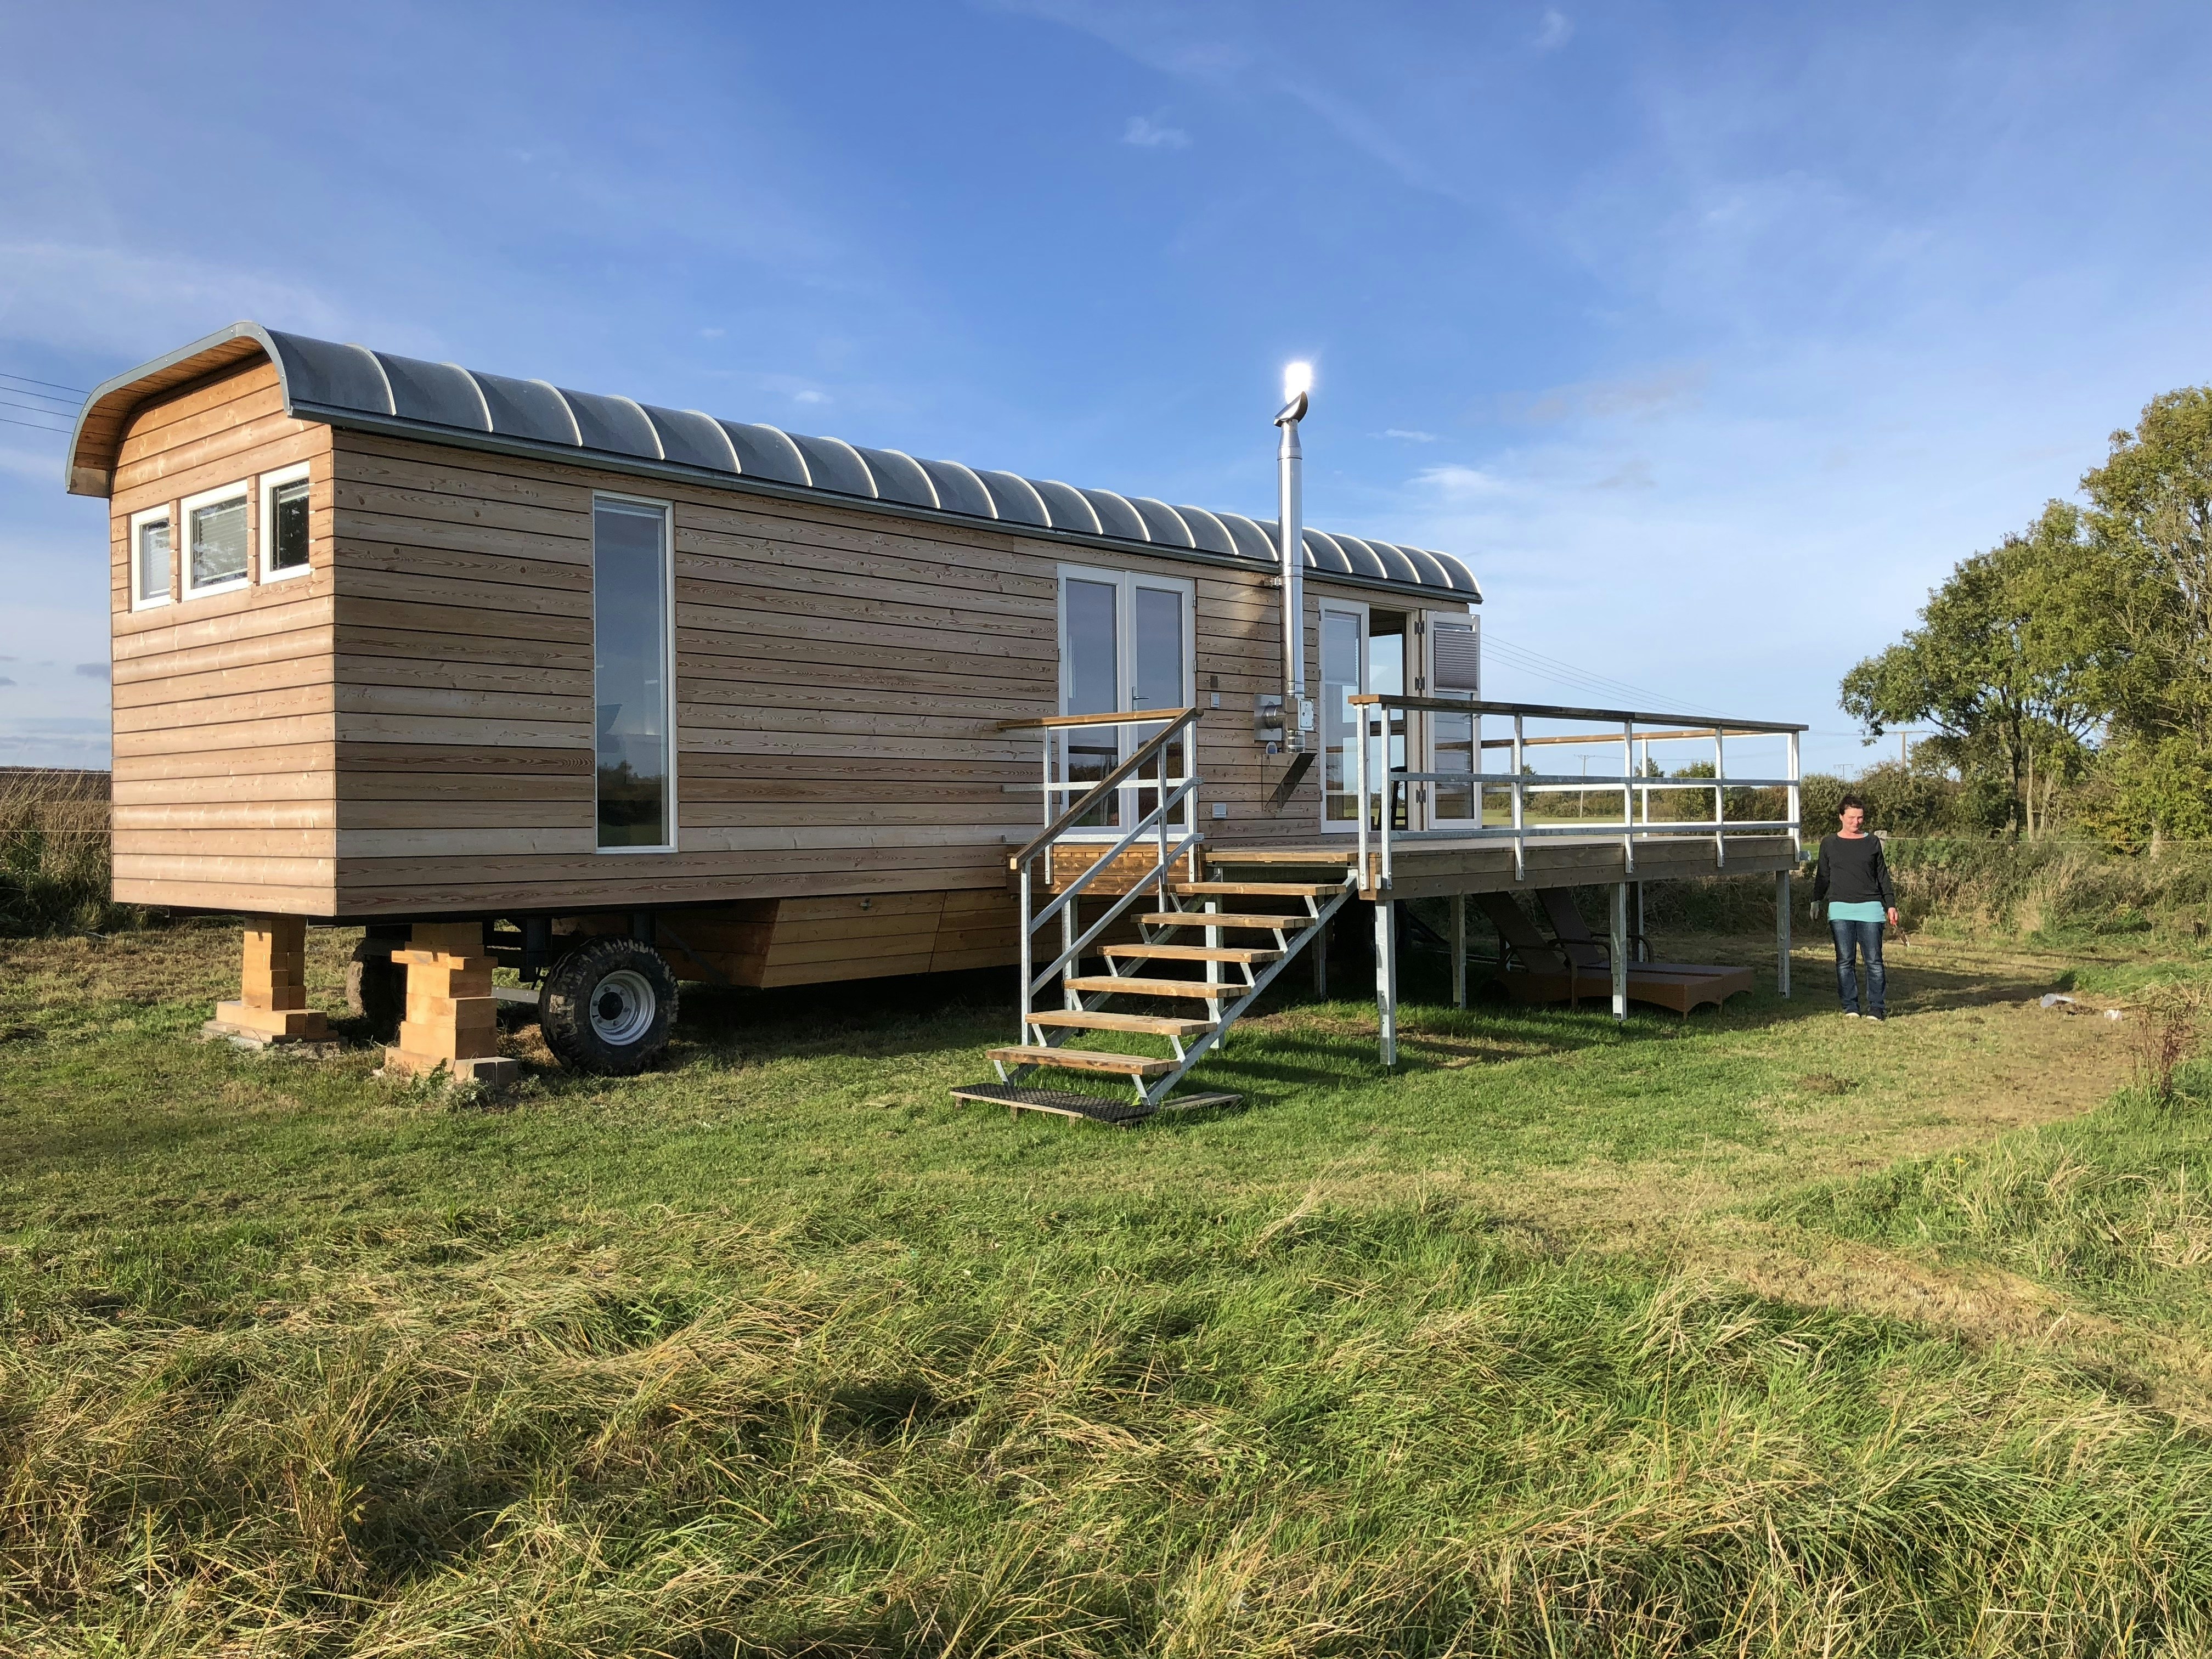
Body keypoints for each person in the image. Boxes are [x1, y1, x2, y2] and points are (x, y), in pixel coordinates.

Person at [1810, 794, 1899, 1020]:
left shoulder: (1872, 842)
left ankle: (1877, 1008)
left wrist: (1890, 904)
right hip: (1840, 909)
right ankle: (1850, 1007)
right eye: (1851, 817)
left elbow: (1882, 875)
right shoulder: (1829, 843)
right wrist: (1816, 900)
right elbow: (1823, 875)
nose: (1856, 822)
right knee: (1845, 961)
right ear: (1841, 817)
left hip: (1871, 908)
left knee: (1874, 962)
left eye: (1860, 818)